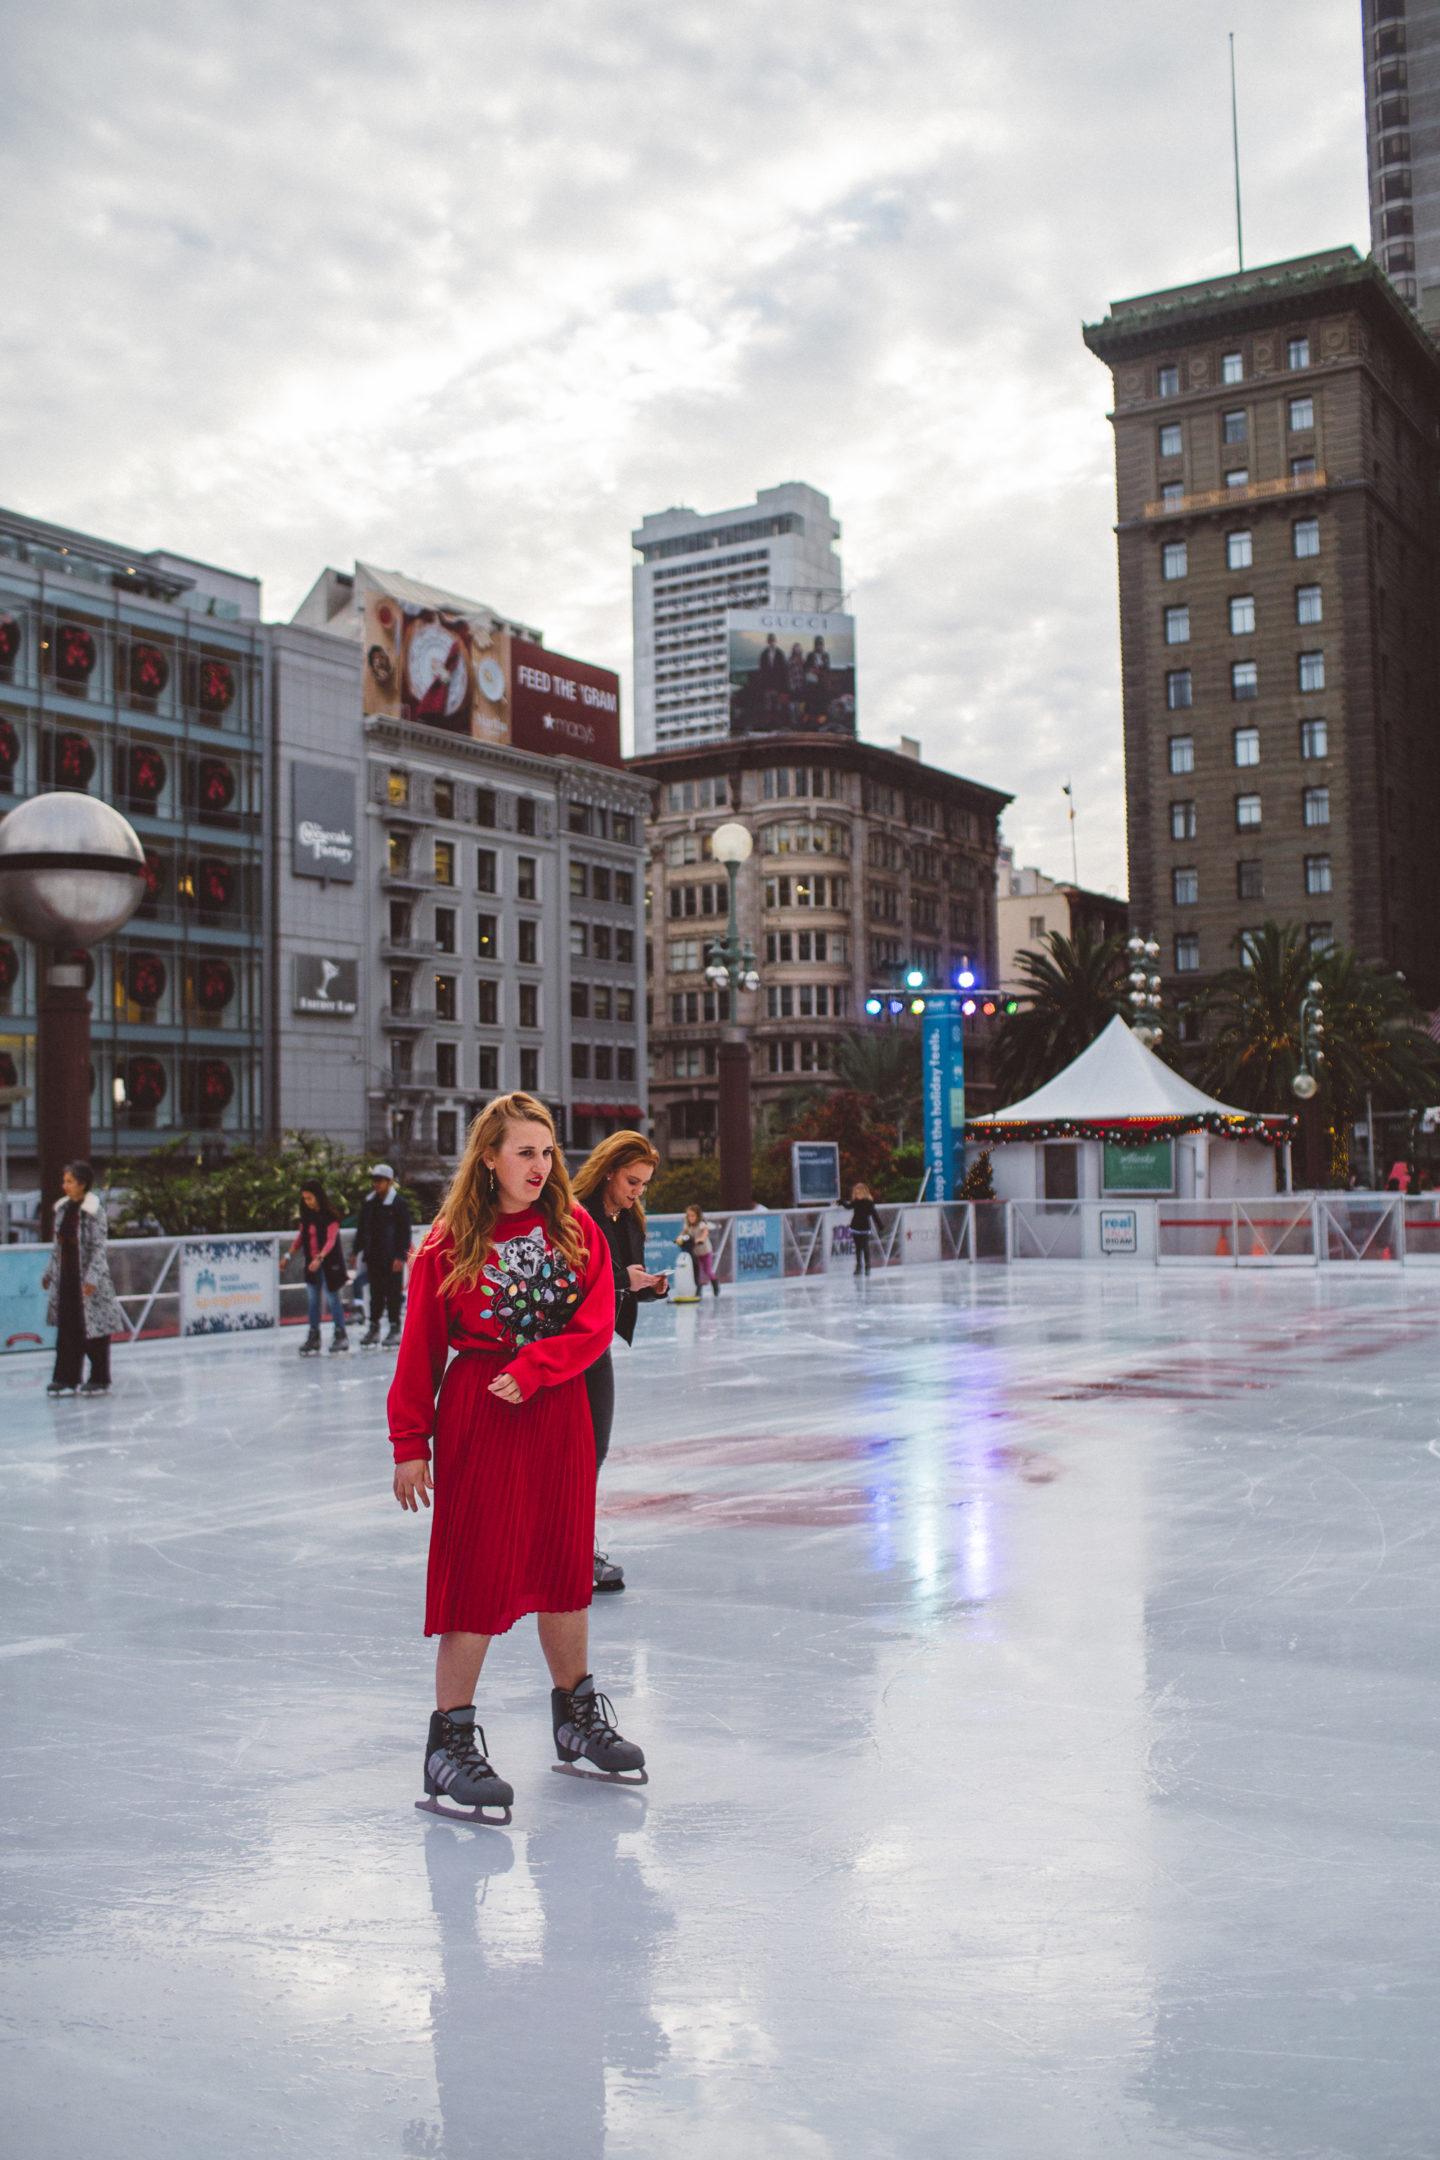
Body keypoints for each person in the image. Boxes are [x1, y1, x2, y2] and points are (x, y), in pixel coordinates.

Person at [390, 1091, 642, 1821]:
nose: (540, 1164)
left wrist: (538, 1367)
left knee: (565, 1568)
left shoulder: (576, 1229)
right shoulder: (447, 1243)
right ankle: (450, 1743)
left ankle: (574, 1716)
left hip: (557, 1409)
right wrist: (411, 1443)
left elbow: (596, 1323)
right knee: (477, 1571)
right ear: (490, 1158)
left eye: (548, 1150)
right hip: (481, 1413)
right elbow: (419, 1351)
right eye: (525, 1151)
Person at [572, 1131, 668, 1594]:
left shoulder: (630, 1220)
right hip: (562, 1345)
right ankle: (567, 1552)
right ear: (609, 1170)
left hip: (595, 1346)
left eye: (644, 1185)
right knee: (572, 1451)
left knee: (594, 1449)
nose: (637, 1192)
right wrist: (623, 1282)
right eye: (632, 1180)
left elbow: (621, 1285)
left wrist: (645, 1287)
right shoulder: (576, 1215)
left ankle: (573, 1548)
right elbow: (569, 1283)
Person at [42, 1161, 123, 1396]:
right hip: (66, 1278)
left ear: (82, 1184)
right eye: (64, 1181)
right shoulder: (63, 1209)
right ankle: (65, 1377)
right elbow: (57, 1246)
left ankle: (99, 1377)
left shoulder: (94, 1210)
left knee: (94, 1330)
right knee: (67, 1327)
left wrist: (92, 1278)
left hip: (88, 1280)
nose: (64, 1185)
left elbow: (99, 1247)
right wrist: (49, 1273)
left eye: (69, 1181)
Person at [284, 1182, 349, 1354]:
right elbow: (300, 1238)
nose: (307, 1202)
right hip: (312, 1265)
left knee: (333, 1298)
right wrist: (287, 1256)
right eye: (305, 1199)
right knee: (313, 1301)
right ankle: (314, 1336)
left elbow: (331, 1240)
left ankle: (340, 1333)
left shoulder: (330, 1216)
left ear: (318, 1197)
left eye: (310, 1198)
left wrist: (320, 1258)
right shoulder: (307, 1217)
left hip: (329, 1265)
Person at [355, 1162, 414, 1349]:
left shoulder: (398, 1204)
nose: (376, 1184)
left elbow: (405, 1232)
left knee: (393, 1294)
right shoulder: (370, 1203)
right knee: (375, 1294)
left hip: (391, 1258)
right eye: (374, 1180)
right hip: (374, 1256)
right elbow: (362, 1228)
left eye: (380, 1181)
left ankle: (395, 1327)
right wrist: (357, 1249)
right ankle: (374, 1327)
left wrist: (400, 1256)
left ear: (389, 1182)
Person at [677, 1203, 720, 1297]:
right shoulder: (688, 1226)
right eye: (688, 1216)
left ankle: (715, 1285)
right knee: (697, 1272)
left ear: (697, 1216)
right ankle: (698, 1290)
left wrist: (701, 1239)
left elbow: (705, 1232)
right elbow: (682, 1234)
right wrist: (679, 1239)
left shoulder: (701, 1224)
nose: (690, 1218)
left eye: (692, 1216)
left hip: (705, 1252)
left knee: (707, 1270)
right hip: (695, 1253)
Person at [849, 1182, 880, 1276]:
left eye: (858, 1192)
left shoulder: (868, 1203)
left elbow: (874, 1214)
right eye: (856, 1192)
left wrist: (880, 1225)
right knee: (858, 1248)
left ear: (863, 1192)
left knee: (865, 1247)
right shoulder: (855, 1202)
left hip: (864, 1228)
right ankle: (859, 1266)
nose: (857, 1194)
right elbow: (848, 1206)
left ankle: (867, 1266)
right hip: (855, 1227)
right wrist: (841, 1202)